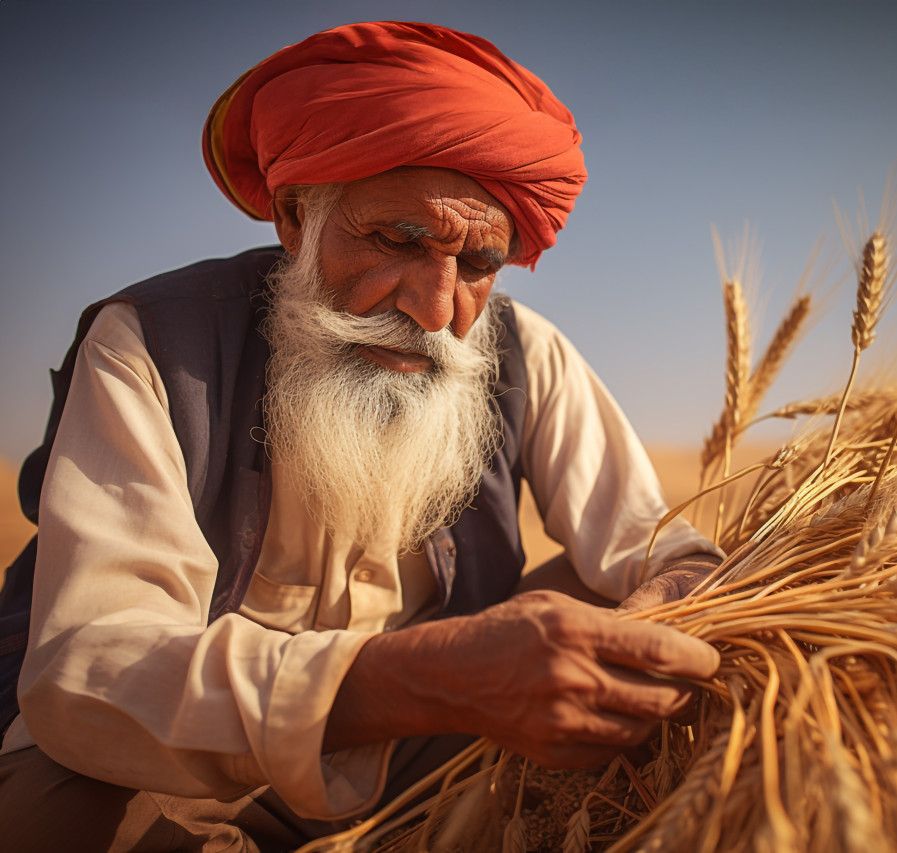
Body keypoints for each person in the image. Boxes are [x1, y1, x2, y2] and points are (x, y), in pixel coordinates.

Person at [0, 21, 721, 851]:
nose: (437, 309)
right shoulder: (154, 343)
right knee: (50, 817)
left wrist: (650, 613)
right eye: (395, 240)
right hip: (175, 772)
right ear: (295, 216)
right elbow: (89, 667)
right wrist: (424, 677)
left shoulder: (525, 355)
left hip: (422, 753)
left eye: (478, 263)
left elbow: (669, 552)